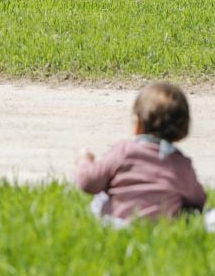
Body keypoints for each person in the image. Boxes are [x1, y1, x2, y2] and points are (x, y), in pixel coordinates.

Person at [75, 81, 207, 221]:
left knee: (101, 197)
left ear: (137, 125)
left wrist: (84, 161)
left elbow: (88, 181)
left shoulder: (124, 151)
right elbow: (198, 201)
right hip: (162, 225)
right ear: (183, 130)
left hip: (119, 222)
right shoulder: (181, 164)